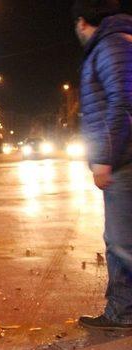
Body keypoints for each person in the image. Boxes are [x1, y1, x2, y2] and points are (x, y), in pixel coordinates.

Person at [74, 0, 132, 329]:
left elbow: (122, 103)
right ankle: (122, 312)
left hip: (124, 161)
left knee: (123, 243)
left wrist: (105, 158)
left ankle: (122, 312)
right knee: (119, 241)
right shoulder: (113, 44)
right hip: (122, 160)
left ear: (83, 22)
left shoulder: (111, 45)